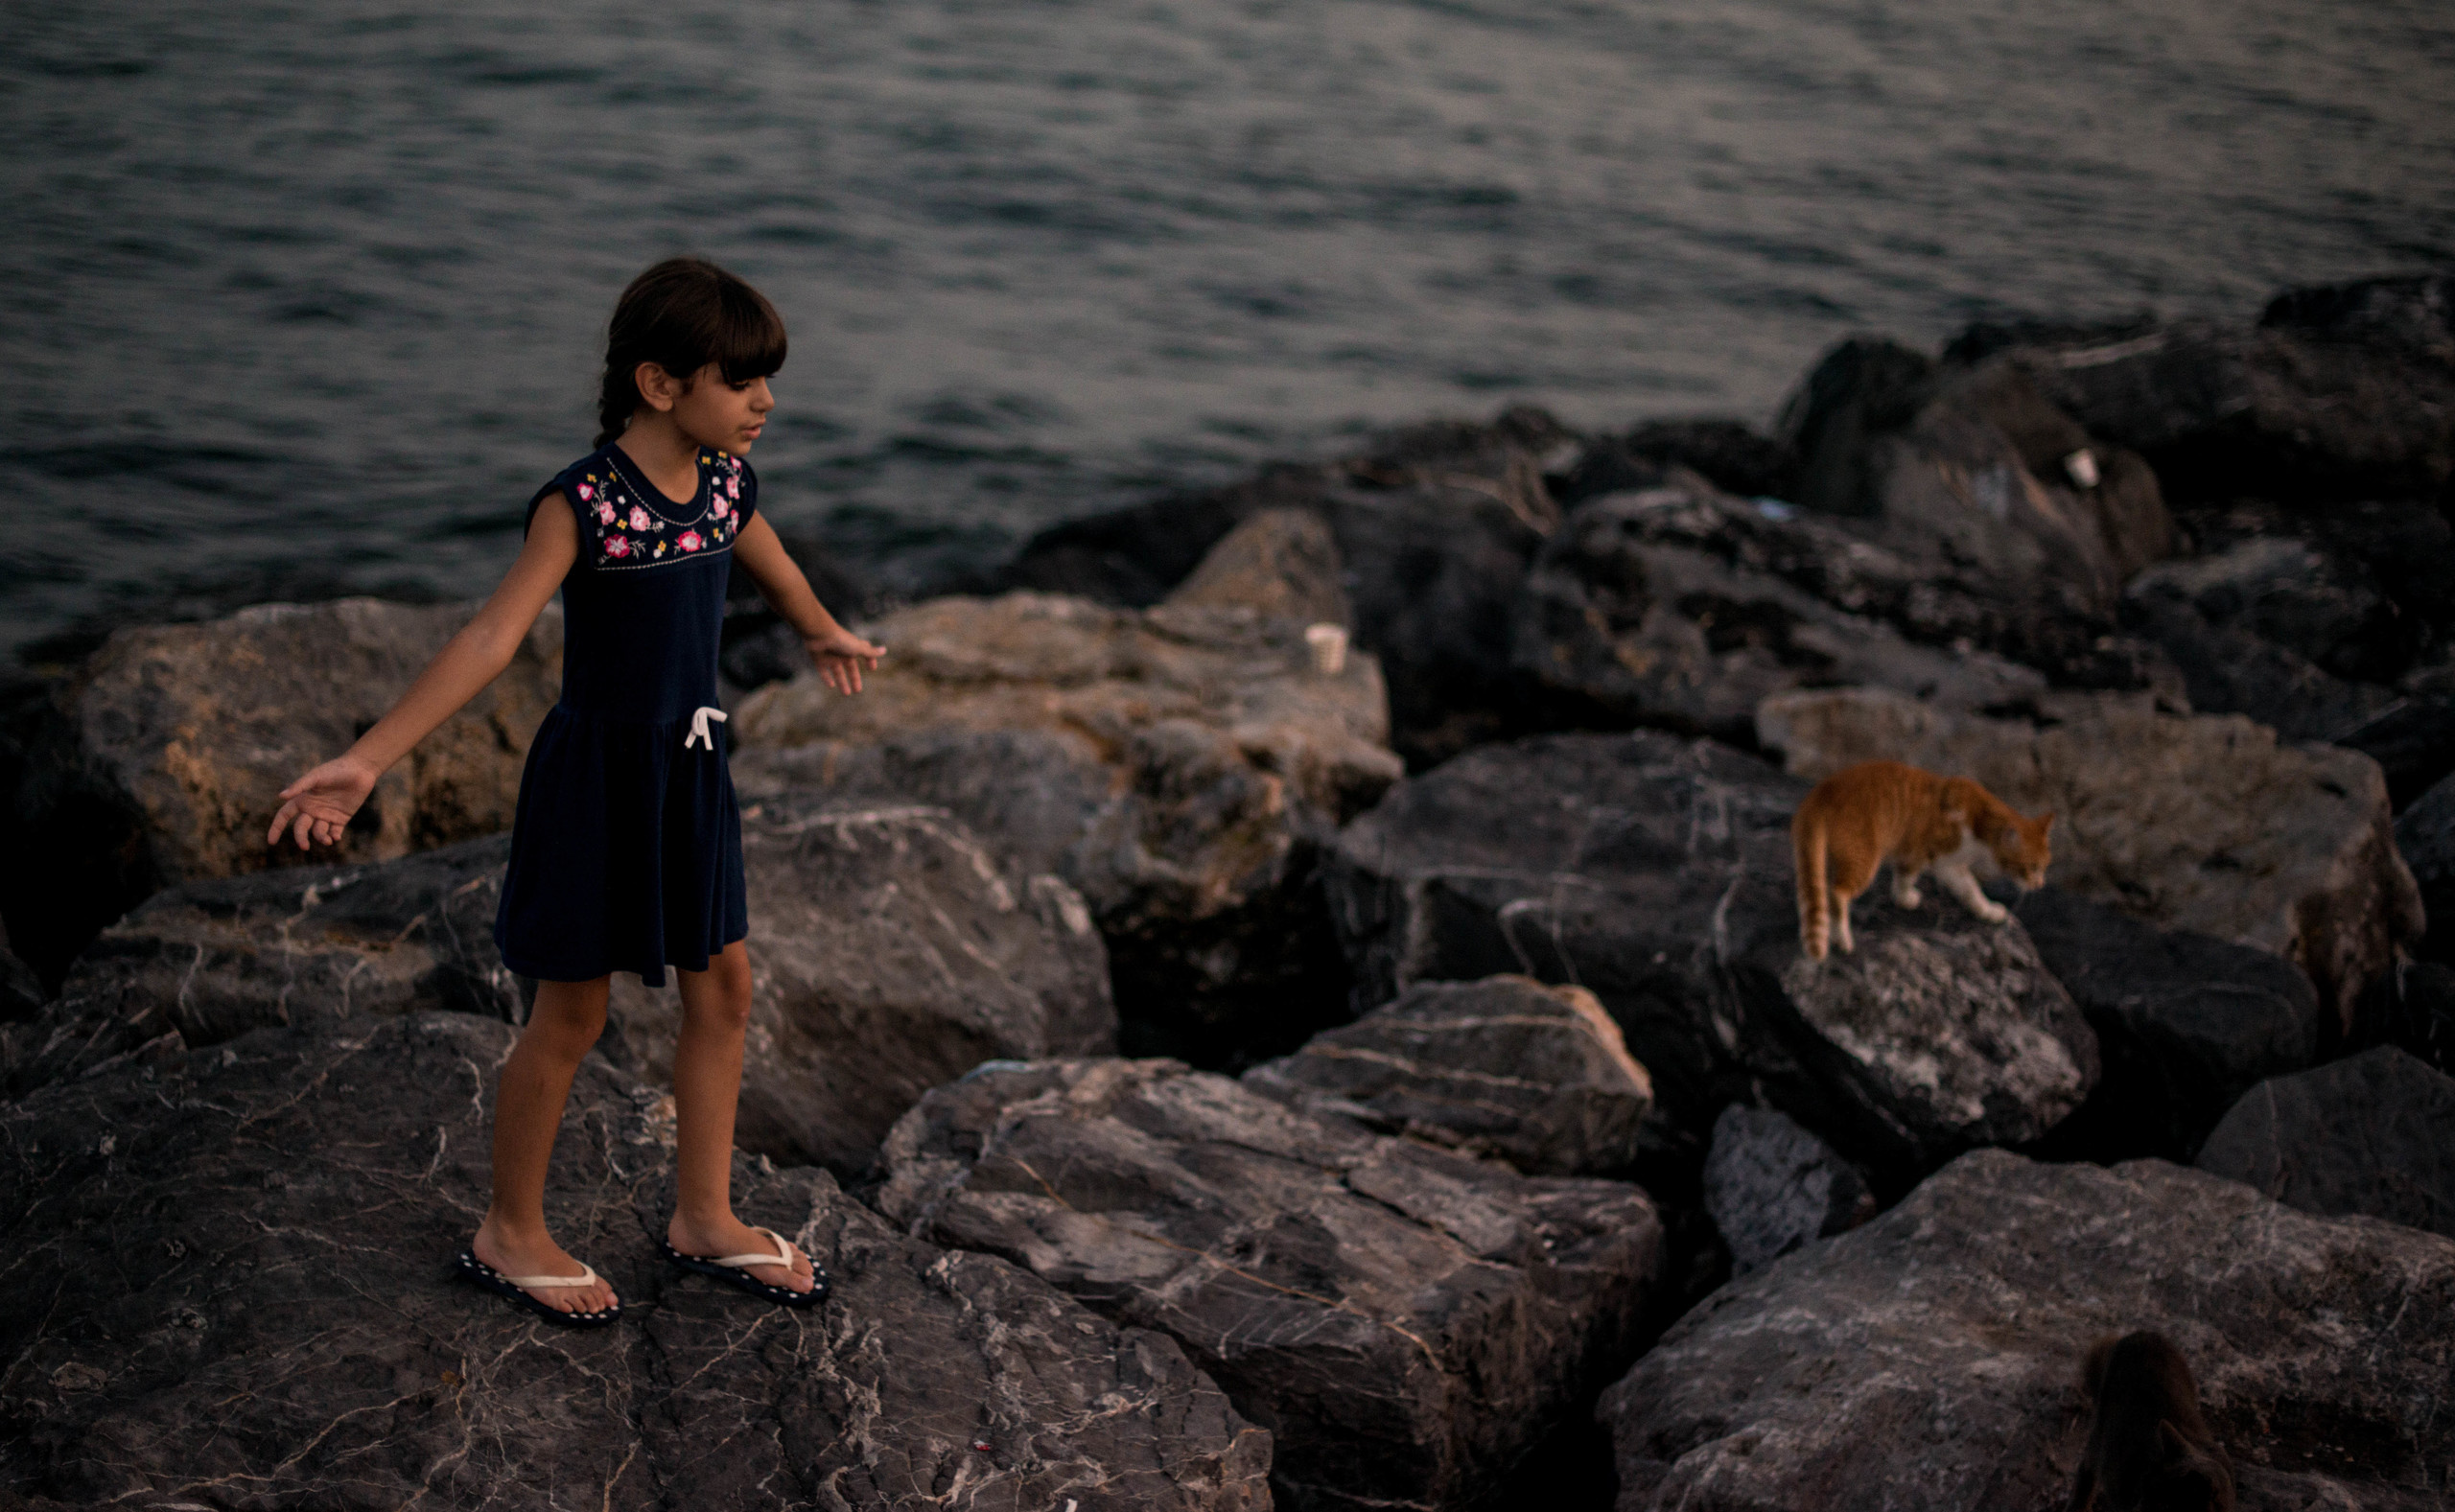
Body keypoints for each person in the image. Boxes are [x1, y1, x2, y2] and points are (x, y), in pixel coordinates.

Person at [265, 256, 884, 1327]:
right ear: (659, 384)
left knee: (724, 989)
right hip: (597, 782)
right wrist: (370, 757)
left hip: (692, 771)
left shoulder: (725, 484)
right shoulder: (582, 501)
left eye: (767, 381)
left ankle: (705, 1215)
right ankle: (510, 1230)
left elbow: (768, 560)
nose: (766, 402)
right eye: (741, 381)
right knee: (573, 1009)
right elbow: (492, 635)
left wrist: (821, 628)